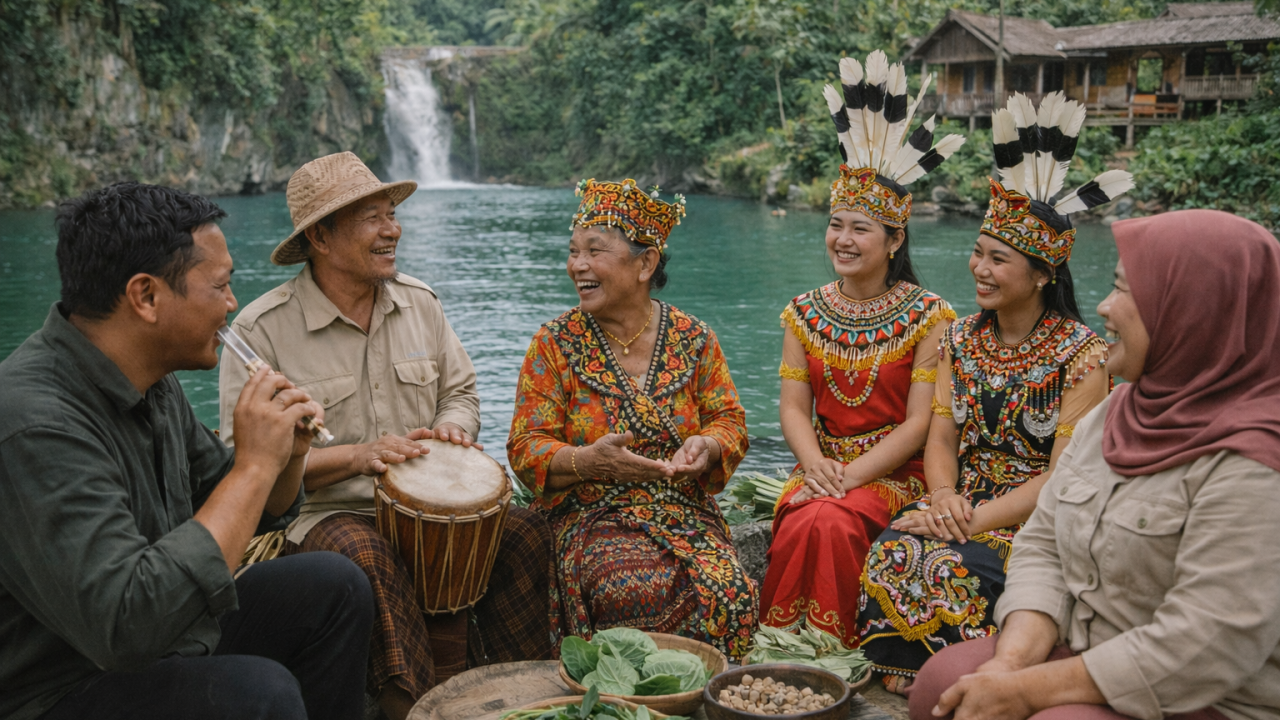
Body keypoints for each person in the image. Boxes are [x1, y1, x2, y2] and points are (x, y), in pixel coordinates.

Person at [0, 183, 373, 720]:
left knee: (335, 588)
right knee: (259, 693)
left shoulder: (153, 381)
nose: (232, 303)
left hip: (166, 635)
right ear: (146, 297)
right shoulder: (35, 423)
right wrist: (254, 466)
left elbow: (255, 509)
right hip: (62, 685)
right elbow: (125, 628)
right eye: (220, 286)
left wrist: (288, 454)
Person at [908, 209, 1280, 720]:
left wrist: (1030, 690)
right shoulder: (1119, 410)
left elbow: (1204, 645)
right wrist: (1012, 661)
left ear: (1193, 313)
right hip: (1083, 638)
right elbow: (1043, 543)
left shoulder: (1255, 462)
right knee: (939, 687)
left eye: (1126, 291)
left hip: (1198, 692)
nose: (1104, 306)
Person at [218, 152, 551, 720]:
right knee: (364, 554)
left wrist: (451, 430)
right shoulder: (261, 331)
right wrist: (356, 457)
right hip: (326, 515)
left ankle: (523, 698)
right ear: (320, 237)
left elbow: (461, 393)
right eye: (371, 218)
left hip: (434, 512)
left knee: (524, 531)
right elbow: (242, 466)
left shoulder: (421, 303)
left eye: (391, 214)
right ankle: (415, 707)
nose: (392, 230)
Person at [857, 92, 1130, 693]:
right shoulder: (958, 338)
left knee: (953, 560)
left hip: (1035, 518)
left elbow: (1061, 476)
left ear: (1042, 275)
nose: (979, 269)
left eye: (998, 260)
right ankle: (907, 664)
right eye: (977, 253)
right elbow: (941, 437)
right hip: (962, 499)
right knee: (897, 546)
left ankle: (946, 668)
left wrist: (971, 522)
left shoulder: (1082, 356)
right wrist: (944, 497)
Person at [758, 50, 963, 649]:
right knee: (806, 513)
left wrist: (846, 478)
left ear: (894, 240)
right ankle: (782, 643)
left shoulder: (930, 316)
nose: (842, 240)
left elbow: (920, 425)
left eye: (860, 229)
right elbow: (793, 407)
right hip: (821, 464)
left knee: (831, 518)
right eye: (836, 225)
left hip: (894, 473)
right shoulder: (803, 311)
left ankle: (834, 649)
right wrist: (815, 467)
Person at [506, 178, 756, 659]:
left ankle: (700, 692)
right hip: (588, 515)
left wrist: (706, 447)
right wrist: (589, 461)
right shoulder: (553, 344)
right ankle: (620, 691)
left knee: (733, 591)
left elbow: (729, 420)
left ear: (645, 264)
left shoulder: (695, 338)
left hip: (683, 512)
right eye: (573, 251)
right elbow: (525, 446)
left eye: (594, 251)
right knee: (626, 586)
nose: (577, 265)